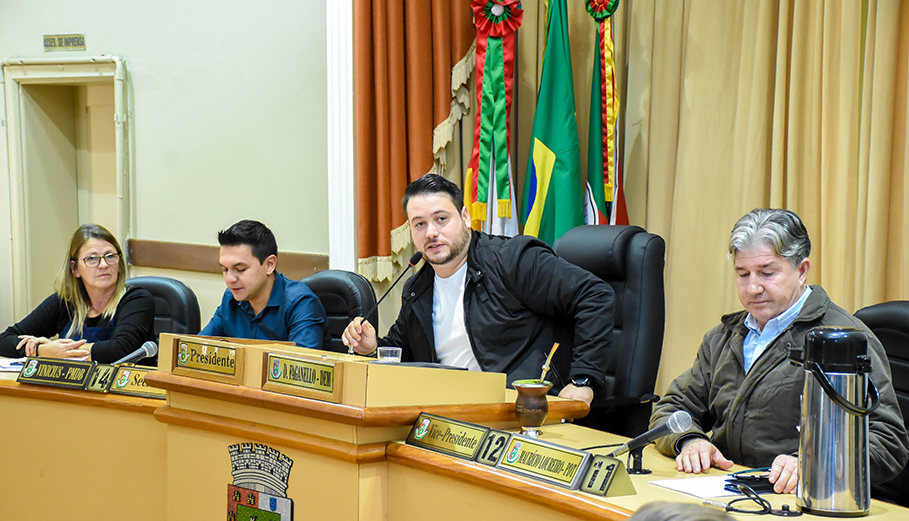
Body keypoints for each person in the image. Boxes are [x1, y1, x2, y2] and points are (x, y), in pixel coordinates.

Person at [651, 208, 908, 493]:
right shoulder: (722, 337)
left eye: (767, 273)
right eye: (743, 274)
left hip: (803, 497)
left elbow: (887, 441)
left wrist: (812, 462)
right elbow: (673, 408)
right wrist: (689, 440)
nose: (753, 287)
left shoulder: (846, 340)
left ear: (802, 271)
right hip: (725, 488)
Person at [342, 174, 615, 405]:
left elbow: (594, 295)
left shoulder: (513, 260)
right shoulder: (417, 289)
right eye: (420, 224)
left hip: (523, 410)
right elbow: (405, 353)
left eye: (441, 219)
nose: (431, 233)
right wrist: (372, 347)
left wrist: (583, 380)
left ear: (465, 217)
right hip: (452, 415)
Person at [0, 224, 156, 364]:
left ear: (120, 264)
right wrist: (42, 350)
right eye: (92, 258)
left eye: (110, 256)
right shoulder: (65, 302)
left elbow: (119, 349)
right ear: (75, 269)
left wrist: (58, 350)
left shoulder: (137, 300)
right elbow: (4, 340)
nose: (103, 264)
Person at [200, 219, 330, 350]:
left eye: (240, 269)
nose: (230, 279)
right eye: (225, 269)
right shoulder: (231, 299)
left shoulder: (301, 303)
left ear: (269, 265)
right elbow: (198, 348)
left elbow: (301, 361)